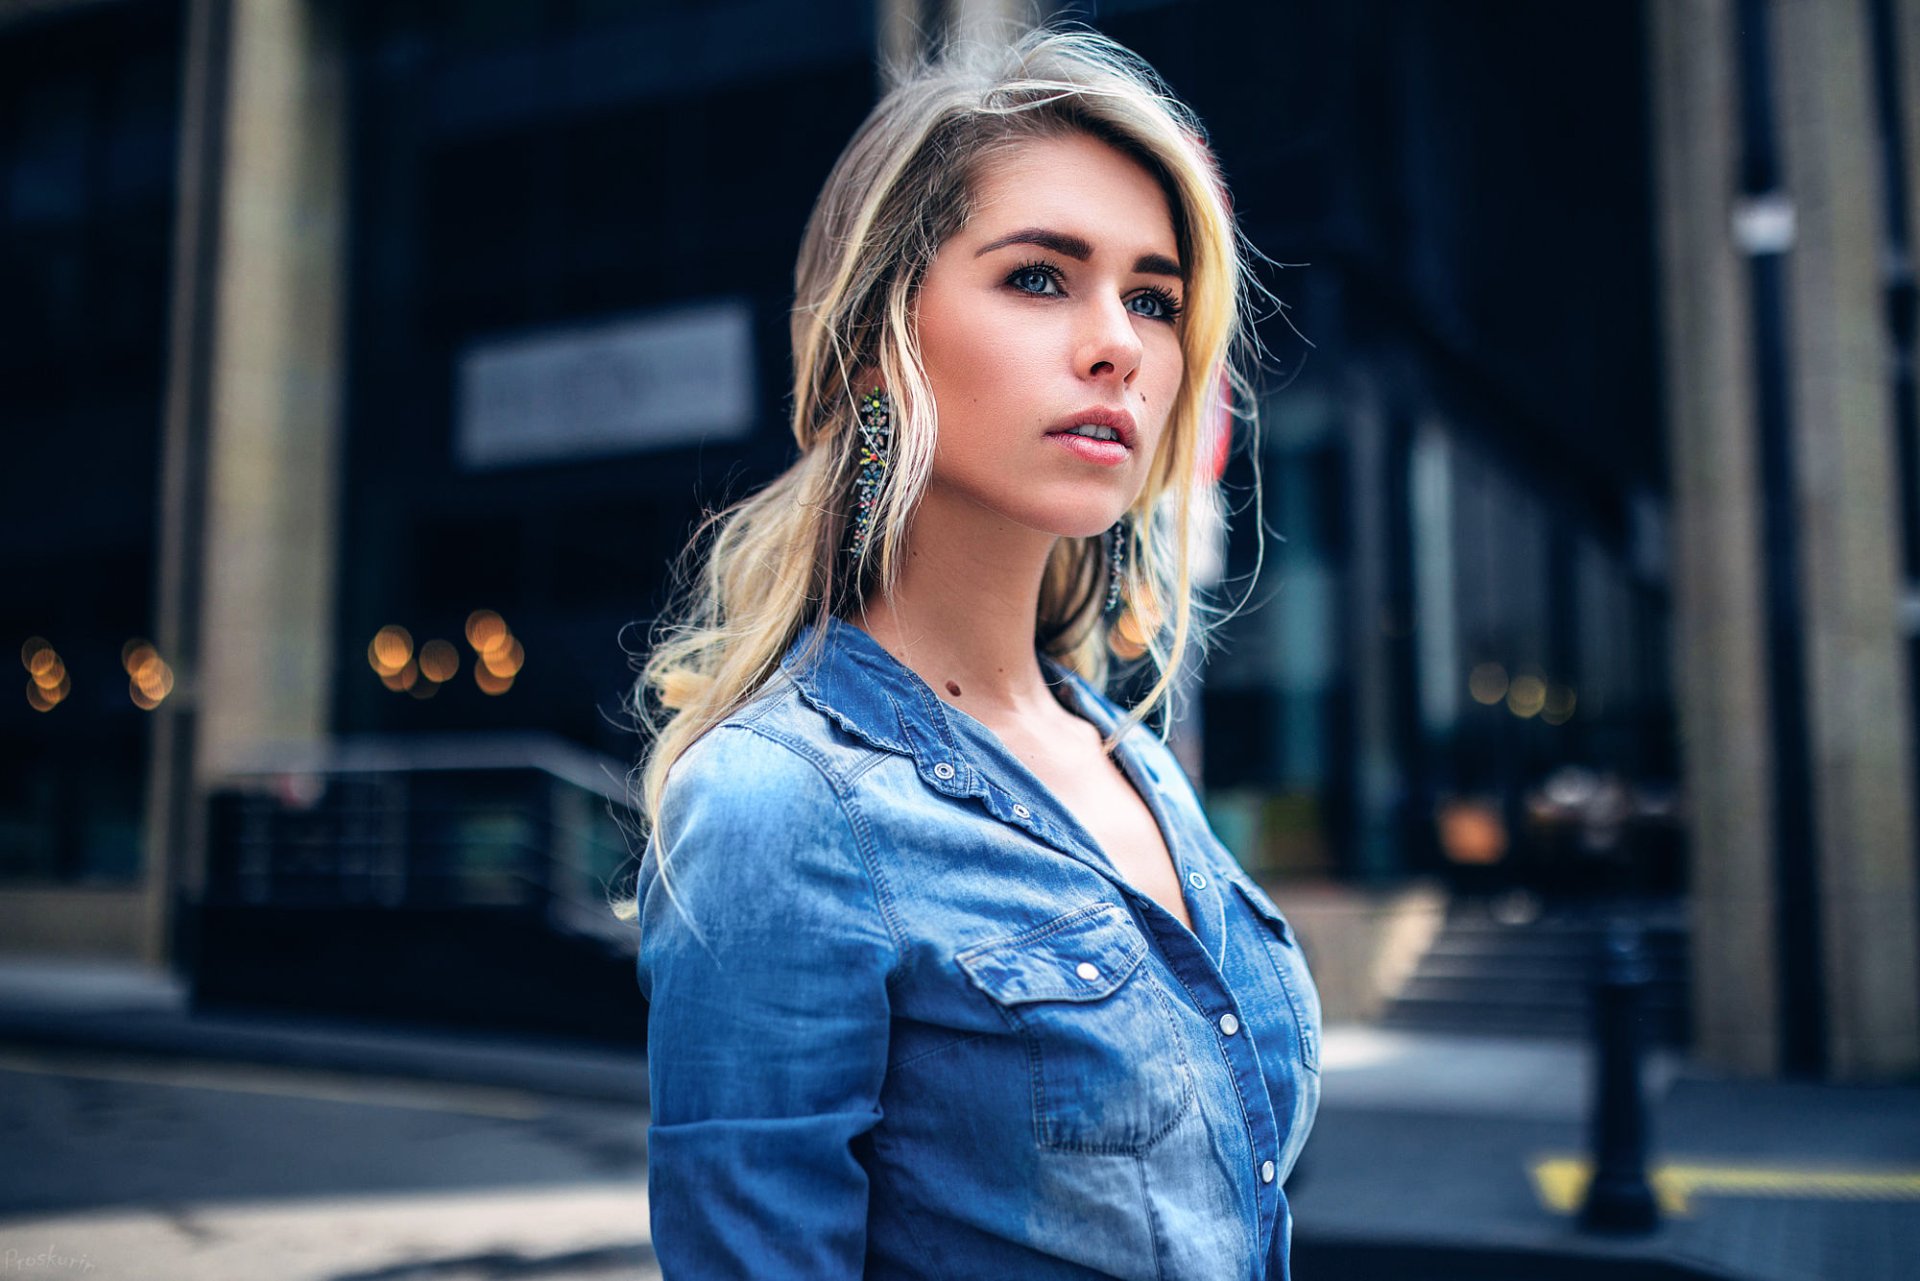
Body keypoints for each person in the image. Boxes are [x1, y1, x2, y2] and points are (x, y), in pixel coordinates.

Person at [611, 23, 1321, 1280]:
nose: (1118, 342)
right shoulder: (782, 806)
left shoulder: (1128, 756)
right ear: (883, 338)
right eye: (1041, 277)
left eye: (1153, 298)